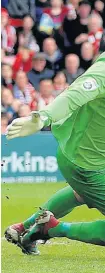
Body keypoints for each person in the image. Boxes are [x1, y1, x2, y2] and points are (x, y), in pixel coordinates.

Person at [6, 52, 105, 255]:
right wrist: (43, 117)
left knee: (81, 193)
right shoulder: (102, 73)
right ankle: (53, 228)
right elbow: (73, 95)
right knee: (84, 190)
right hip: (86, 163)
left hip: (92, 159)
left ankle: (24, 227)